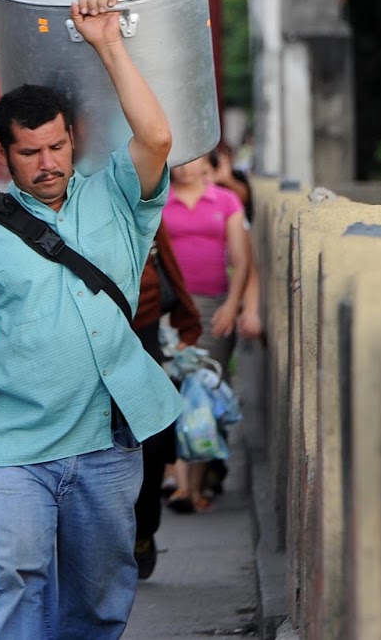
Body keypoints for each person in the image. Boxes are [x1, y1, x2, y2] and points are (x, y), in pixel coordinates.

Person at [0, 0, 180, 640]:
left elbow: (158, 135)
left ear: (73, 138)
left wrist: (108, 42)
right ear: (5, 152)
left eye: (57, 146)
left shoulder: (119, 198)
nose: (48, 163)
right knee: (20, 579)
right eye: (30, 151)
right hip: (18, 447)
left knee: (98, 597)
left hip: (107, 442)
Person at [161, 153, 261, 513]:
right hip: (168, 310)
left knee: (204, 393)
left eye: (193, 157)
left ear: (207, 162)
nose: (186, 165)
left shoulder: (225, 201)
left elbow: (242, 259)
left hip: (213, 306)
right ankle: (179, 481)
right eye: (180, 158)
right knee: (169, 391)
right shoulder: (160, 199)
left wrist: (232, 306)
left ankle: (195, 486)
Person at [131, 223, 201, 580]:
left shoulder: (139, 206)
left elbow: (169, 268)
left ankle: (143, 532)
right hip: (82, 344)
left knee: (152, 448)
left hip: (143, 344)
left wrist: (187, 326)